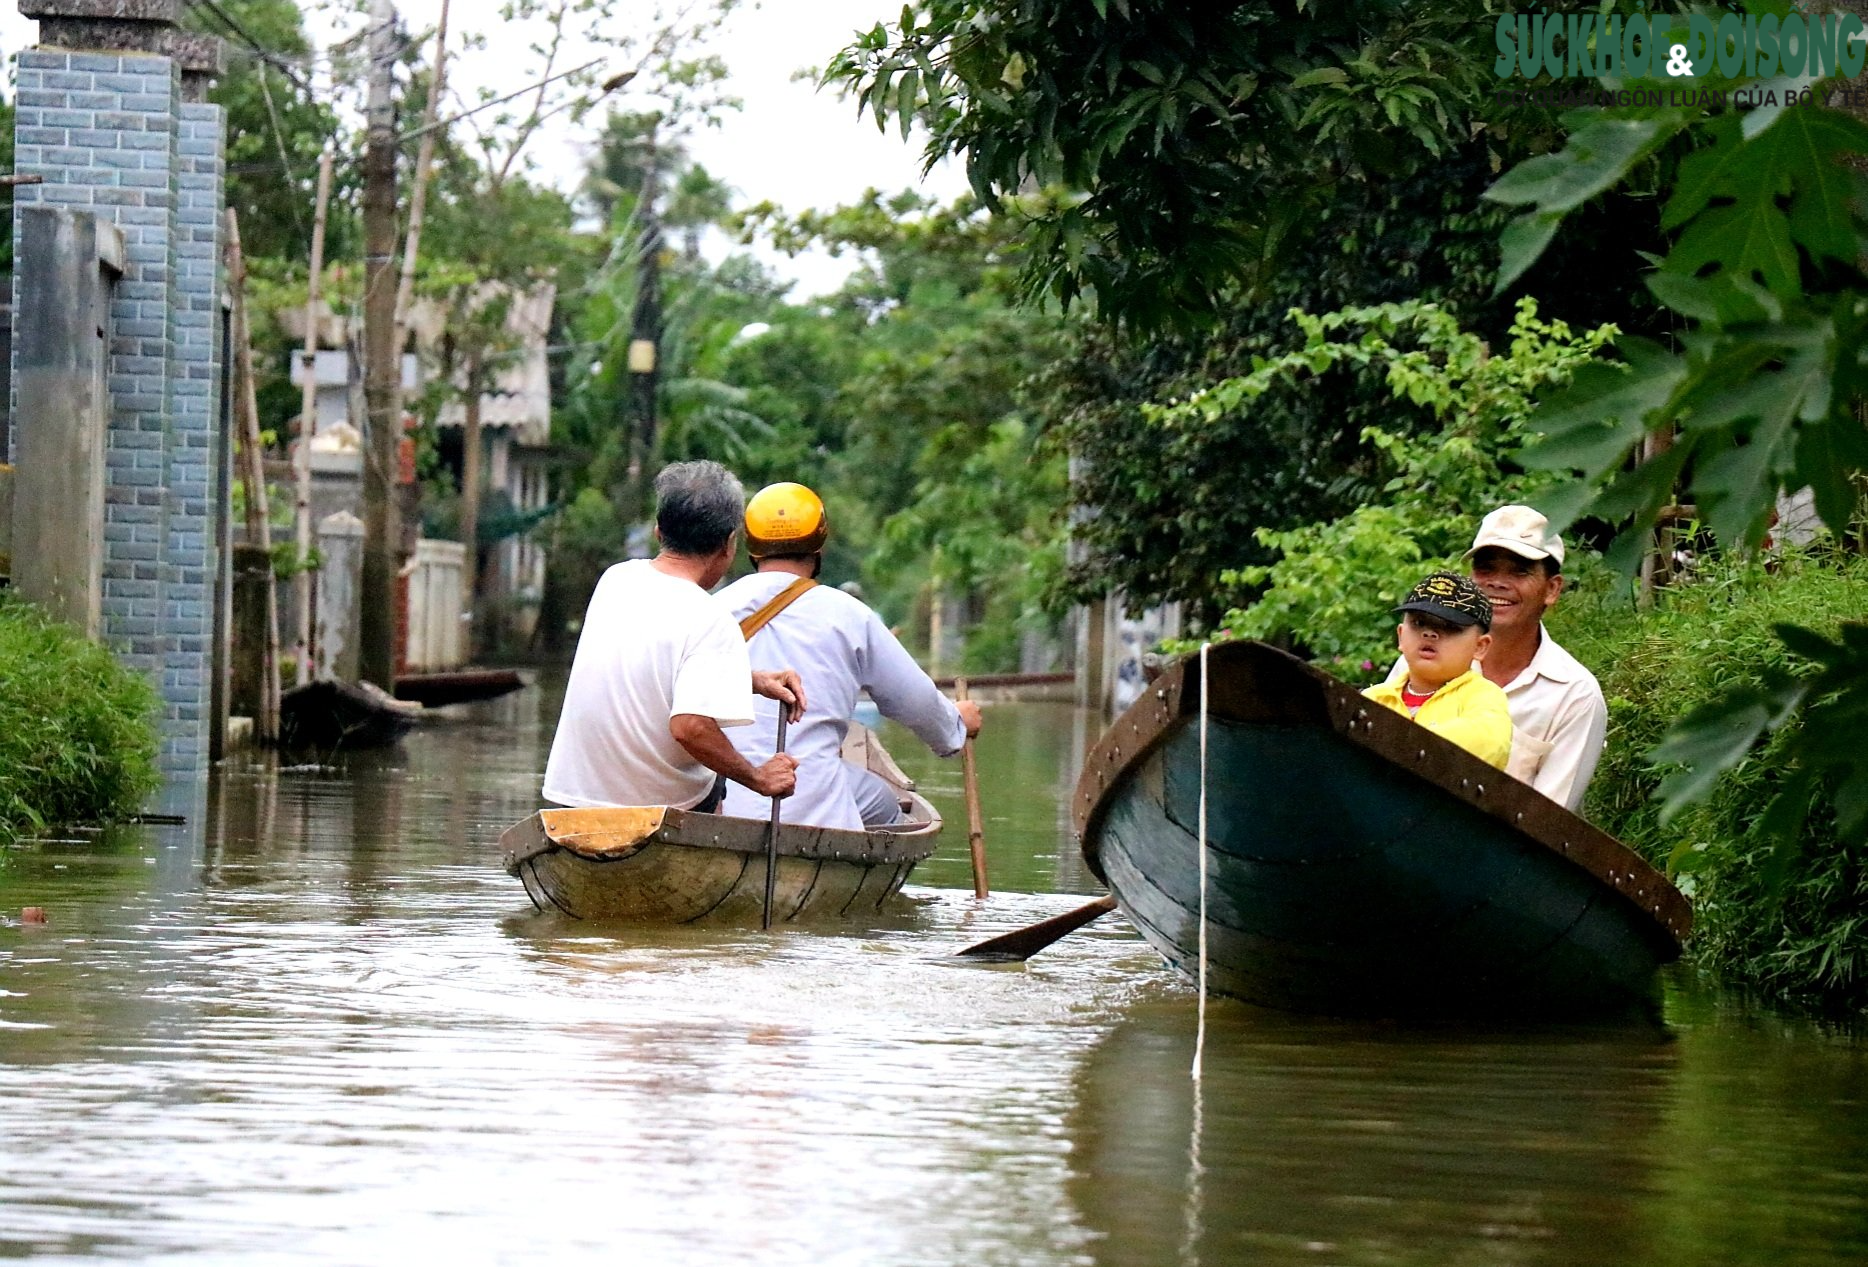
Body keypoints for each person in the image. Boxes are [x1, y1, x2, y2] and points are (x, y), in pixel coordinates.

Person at [715, 481, 983, 831]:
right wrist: (956, 727)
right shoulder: (851, 615)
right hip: (813, 805)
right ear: (820, 548)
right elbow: (915, 700)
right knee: (889, 808)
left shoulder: (713, 611)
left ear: (750, 549)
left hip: (721, 805)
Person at [542, 461, 806, 813]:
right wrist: (758, 777)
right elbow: (690, 727)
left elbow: (650, 675)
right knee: (717, 774)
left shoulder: (615, 581)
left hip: (569, 801)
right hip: (658, 812)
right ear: (729, 545)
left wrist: (752, 681)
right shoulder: (710, 617)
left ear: (657, 532)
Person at [1380, 505, 1608, 809]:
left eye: (1520, 570)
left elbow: (1549, 823)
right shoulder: (1422, 658)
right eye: (1486, 568)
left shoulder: (1575, 695)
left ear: (1552, 589)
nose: (1498, 582)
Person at [1363, 572, 1513, 769]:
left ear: (1480, 646)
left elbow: (1490, 743)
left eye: (1449, 627)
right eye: (1419, 623)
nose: (1429, 633)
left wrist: (1397, 743)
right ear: (1400, 635)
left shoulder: (1483, 695)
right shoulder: (1375, 698)